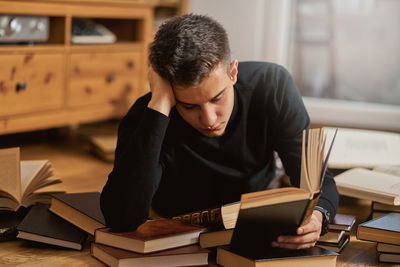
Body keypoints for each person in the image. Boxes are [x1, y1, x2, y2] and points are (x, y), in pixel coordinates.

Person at [100, 14, 339, 250]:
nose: (209, 119)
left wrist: (318, 217)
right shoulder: (148, 115)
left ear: (233, 72)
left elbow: (317, 180)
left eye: (217, 98)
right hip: (179, 228)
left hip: (258, 217)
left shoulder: (272, 85)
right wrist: (160, 104)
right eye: (189, 106)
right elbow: (122, 218)